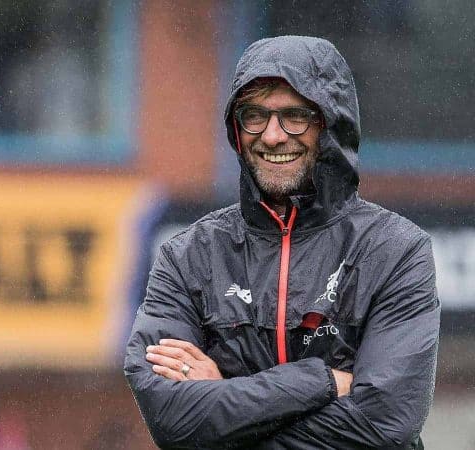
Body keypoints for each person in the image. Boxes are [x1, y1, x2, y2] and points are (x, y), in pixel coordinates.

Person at [124, 36, 440, 449]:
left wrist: (228, 406)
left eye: (295, 116)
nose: (272, 136)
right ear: (236, 130)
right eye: (254, 115)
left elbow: (385, 422)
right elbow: (174, 422)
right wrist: (322, 380)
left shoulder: (397, 251)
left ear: (330, 125)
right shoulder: (187, 257)